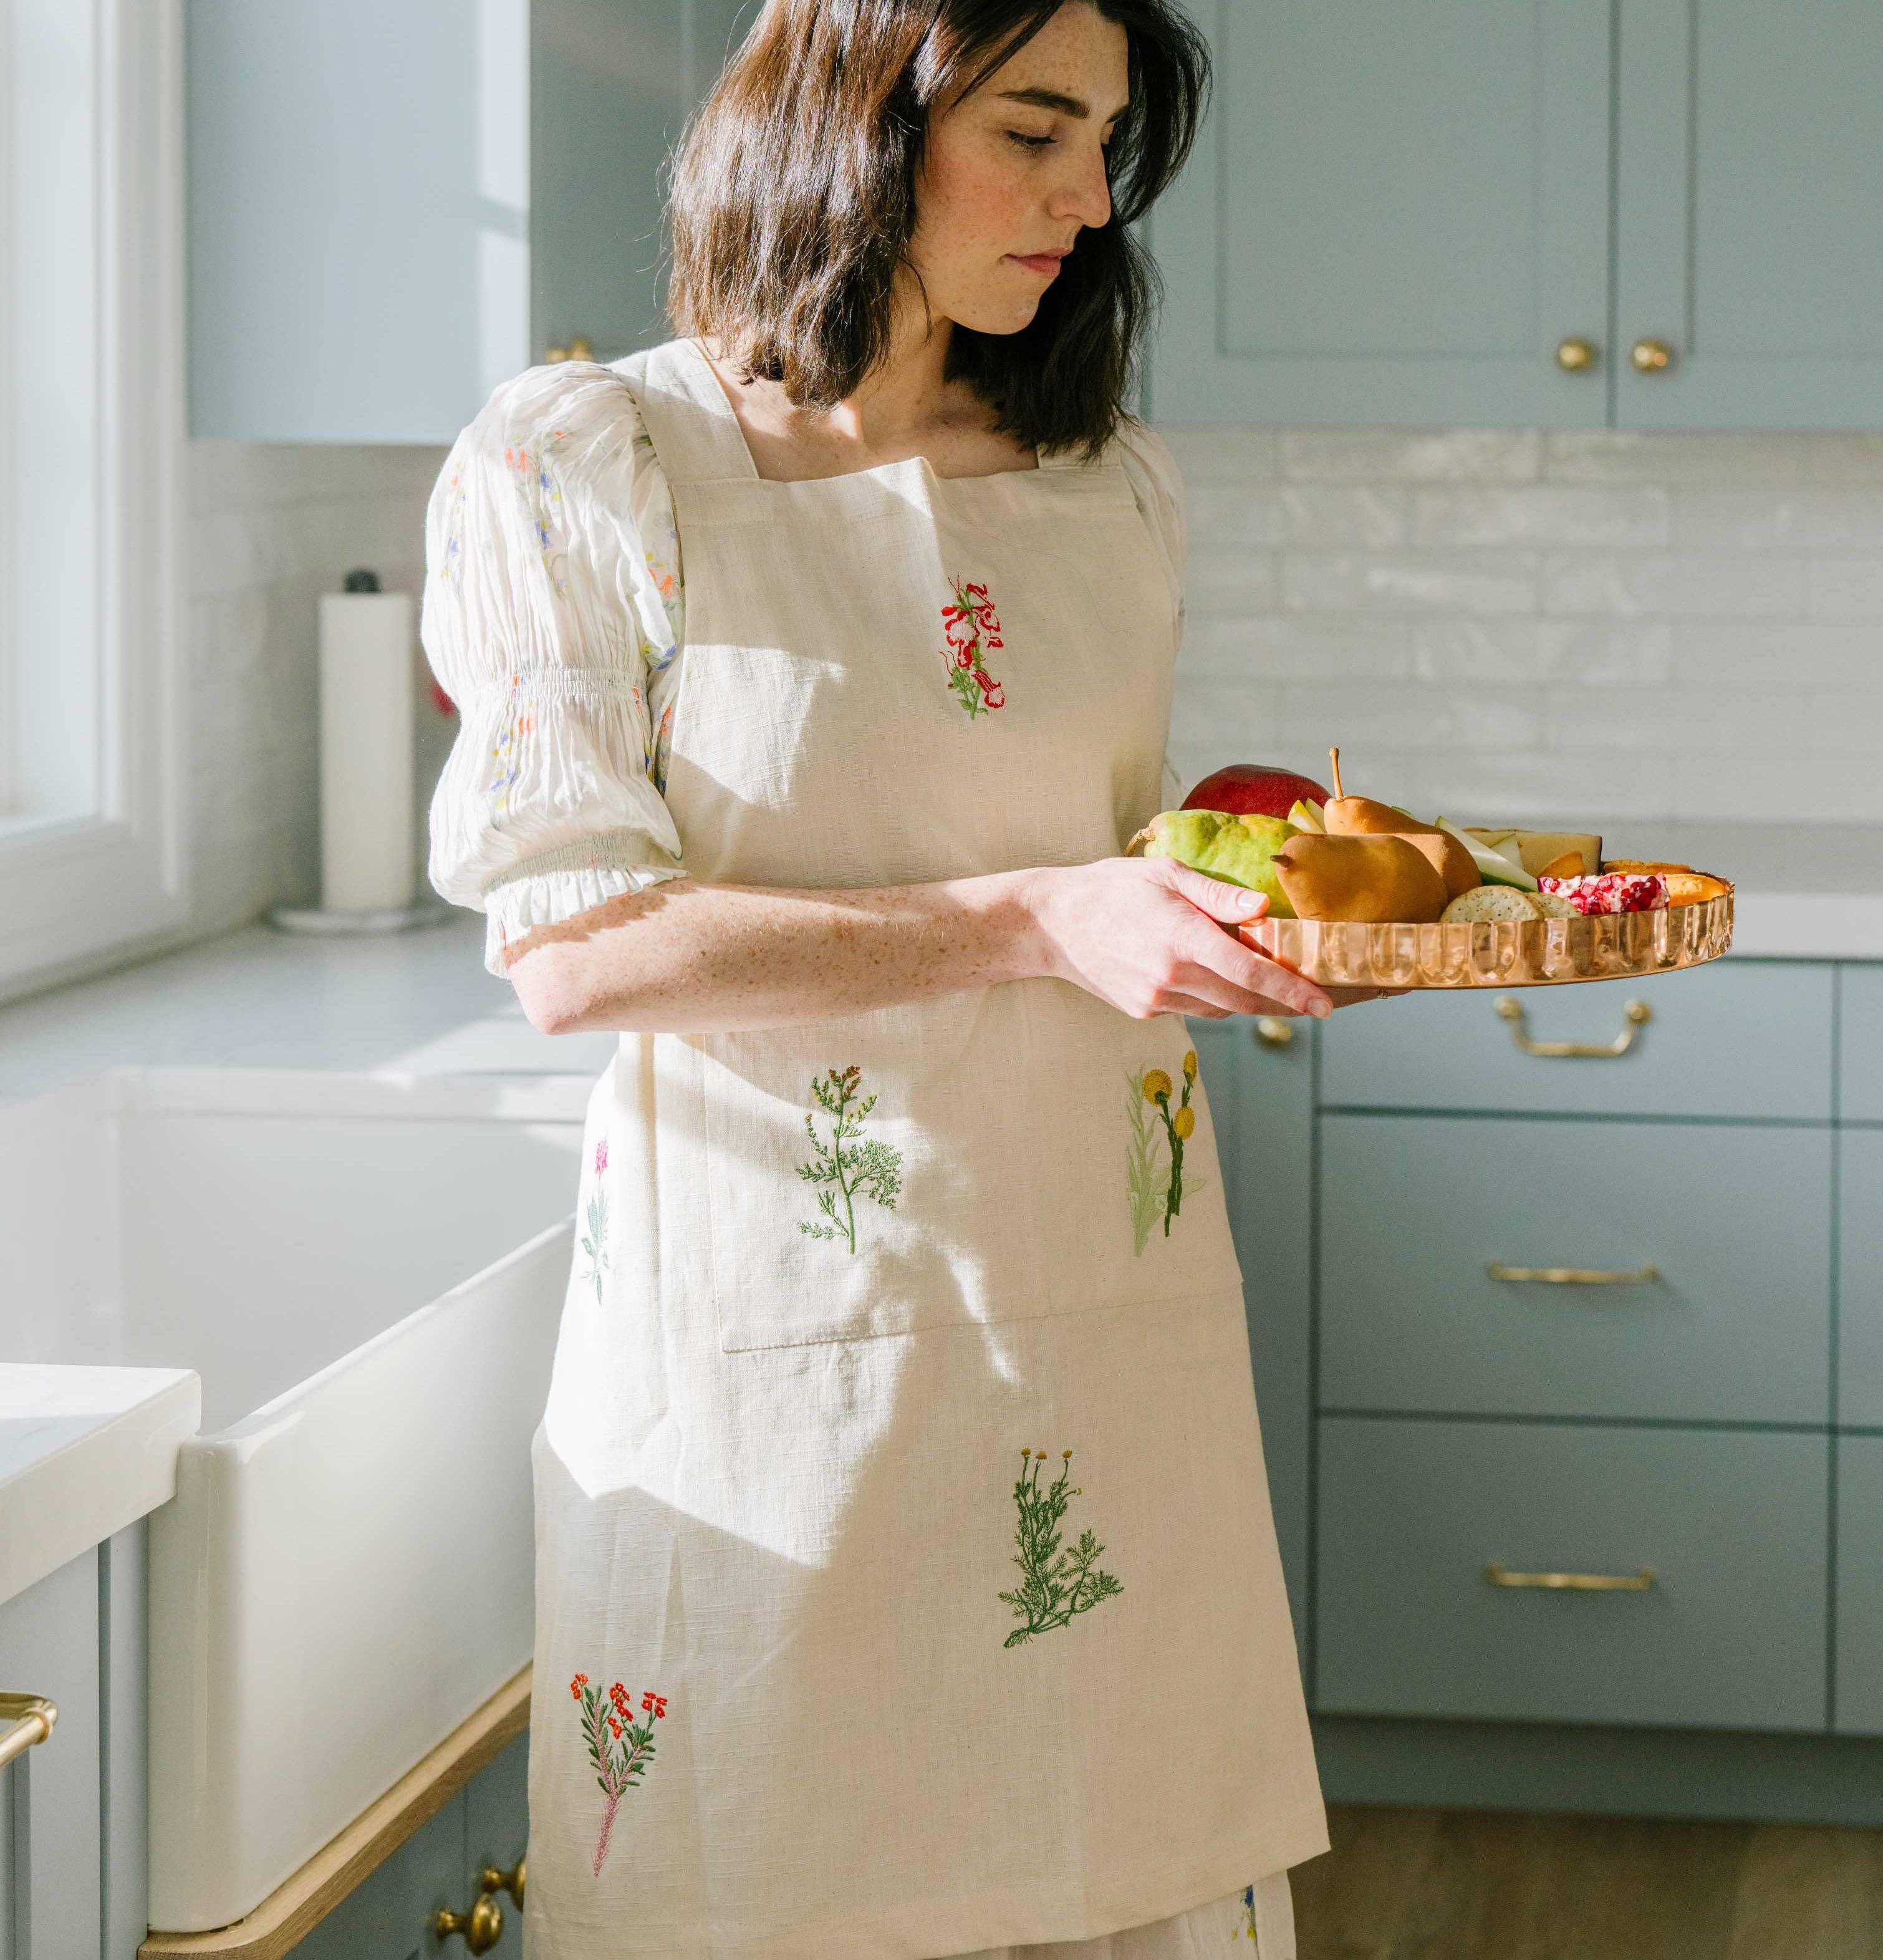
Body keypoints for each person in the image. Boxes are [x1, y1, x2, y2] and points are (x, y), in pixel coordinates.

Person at [423, 0, 1369, 1951]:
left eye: (1107, 145)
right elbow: (574, 949)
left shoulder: (1111, 481)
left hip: (1101, 1328)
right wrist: (1029, 921)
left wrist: (1257, 912)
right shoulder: (589, 464)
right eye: (1033, 131)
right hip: (773, 1362)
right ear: (852, 120)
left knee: (1127, 1875)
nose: (1088, 201)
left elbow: (1097, 858)